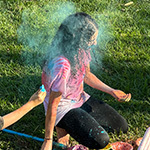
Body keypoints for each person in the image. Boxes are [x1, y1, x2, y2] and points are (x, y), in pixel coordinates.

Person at [41, 12, 131, 150]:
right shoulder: (62, 66)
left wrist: (112, 91)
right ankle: (62, 126)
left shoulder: (80, 50)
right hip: (62, 108)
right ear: (78, 39)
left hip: (79, 99)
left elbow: (86, 75)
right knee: (101, 141)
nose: (95, 43)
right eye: (92, 40)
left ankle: (75, 124)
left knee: (121, 126)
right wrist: (48, 139)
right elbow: (53, 104)